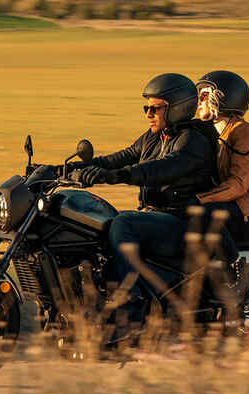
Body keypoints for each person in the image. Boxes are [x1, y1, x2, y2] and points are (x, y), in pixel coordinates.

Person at [76, 72, 218, 330]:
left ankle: (130, 312)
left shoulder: (193, 142)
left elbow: (159, 169)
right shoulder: (153, 137)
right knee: (96, 224)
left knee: (123, 223)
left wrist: (114, 177)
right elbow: (119, 158)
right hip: (157, 216)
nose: (149, 114)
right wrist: (61, 170)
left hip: (183, 220)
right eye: (146, 108)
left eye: (156, 108)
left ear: (177, 108)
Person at [194, 70, 249, 258]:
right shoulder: (214, 131)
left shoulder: (243, 132)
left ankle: (228, 267)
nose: (198, 101)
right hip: (235, 206)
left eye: (204, 95)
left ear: (224, 99)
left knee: (199, 213)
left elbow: (238, 184)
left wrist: (199, 198)